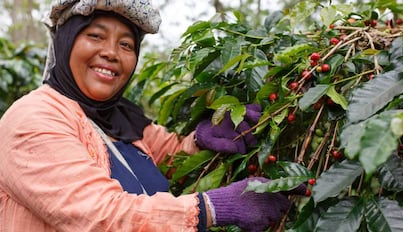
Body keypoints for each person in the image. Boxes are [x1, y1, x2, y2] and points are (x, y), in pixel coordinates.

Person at [0, 0, 306, 231]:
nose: (111, 52)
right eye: (95, 36)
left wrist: (206, 137)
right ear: (66, 42)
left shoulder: (121, 118)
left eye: (126, 44)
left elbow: (169, 155)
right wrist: (211, 208)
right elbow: (99, 215)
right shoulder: (33, 119)